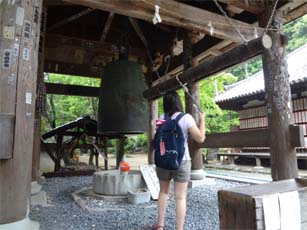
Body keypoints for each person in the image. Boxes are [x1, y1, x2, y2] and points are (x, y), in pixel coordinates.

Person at [154, 91, 206, 230]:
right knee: (180, 197)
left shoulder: (161, 118)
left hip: (163, 160)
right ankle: (179, 228)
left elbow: (157, 138)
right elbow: (200, 138)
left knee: (163, 192)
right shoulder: (186, 118)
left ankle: (160, 225)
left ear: (165, 104)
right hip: (182, 160)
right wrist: (202, 120)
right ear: (178, 103)